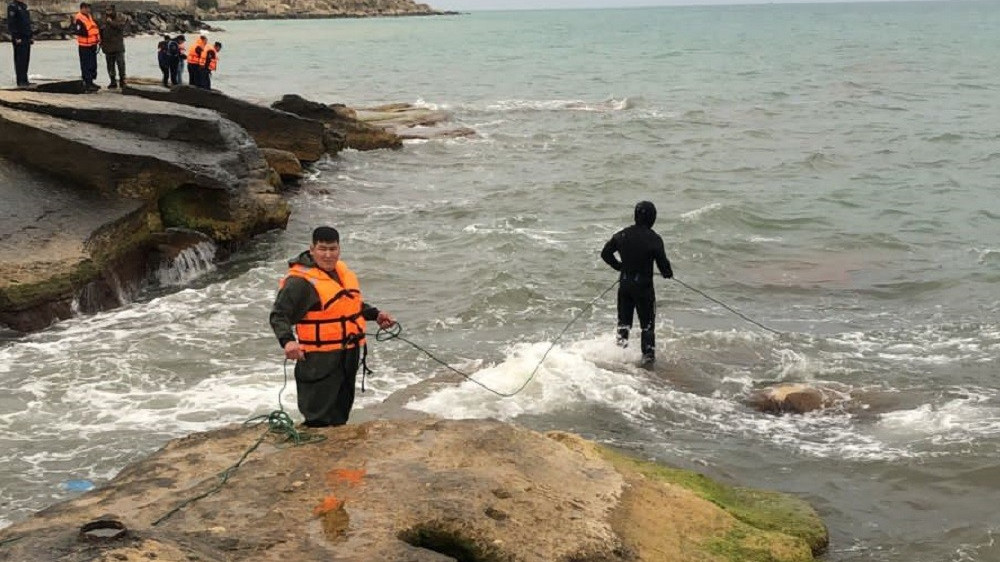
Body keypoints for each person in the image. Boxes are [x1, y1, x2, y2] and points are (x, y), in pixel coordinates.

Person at [269, 226, 396, 427]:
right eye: (322, 249)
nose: (328, 255)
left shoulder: (340, 272)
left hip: (348, 355)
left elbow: (347, 305)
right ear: (312, 249)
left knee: (340, 415)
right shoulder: (300, 282)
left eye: (332, 249)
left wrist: (376, 315)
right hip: (320, 360)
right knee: (318, 418)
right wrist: (288, 342)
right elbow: (279, 315)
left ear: (339, 249)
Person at [601, 201, 673, 365]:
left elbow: (605, 254)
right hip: (644, 289)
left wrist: (619, 267)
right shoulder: (654, 239)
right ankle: (648, 361)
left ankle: (619, 357)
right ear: (652, 218)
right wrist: (667, 273)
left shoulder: (622, 235)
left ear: (635, 216)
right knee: (647, 327)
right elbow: (663, 266)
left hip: (625, 286)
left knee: (624, 324)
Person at [72, 1, 100, 92]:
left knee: (93, 64)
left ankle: (91, 81)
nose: (89, 10)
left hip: (92, 44)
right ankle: (87, 83)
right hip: (84, 45)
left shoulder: (89, 17)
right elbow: (79, 31)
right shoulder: (79, 18)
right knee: (86, 65)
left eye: (89, 8)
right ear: (82, 8)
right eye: (87, 8)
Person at [98, 4, 125, 89]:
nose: (108, 12)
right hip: (107, 47)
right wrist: (101, 43)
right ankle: (112, 81)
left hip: (118, 47)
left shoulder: (120, 17)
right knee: (110, 66)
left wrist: (111, 22)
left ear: (113, 10)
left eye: (109, 10)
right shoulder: (103, 19)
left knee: (121, 65)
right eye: (106, 10)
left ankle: (122, 81)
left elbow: (120, 27)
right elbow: (100, 32)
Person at [7, 0, 32, 88]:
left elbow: (27, 23)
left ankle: (25, 80)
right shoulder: (13, 6)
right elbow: (12, 23)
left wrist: (30, 36)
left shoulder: (24, 6)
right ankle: (20, 81)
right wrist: (16, 36)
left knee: (26, 59)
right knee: (20, 60)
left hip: (26, 37)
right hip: (19, 37)